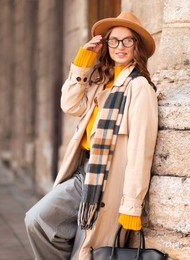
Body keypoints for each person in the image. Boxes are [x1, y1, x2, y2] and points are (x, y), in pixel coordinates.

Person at [24, 11, 158, 260]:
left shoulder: (139, 88)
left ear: (136, 46)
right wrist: (84, 59)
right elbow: (70, 105)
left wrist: (132, 205)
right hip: (85, 171)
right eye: (114, 40)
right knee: (37, 220)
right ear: (106, 45)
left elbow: (142, 151)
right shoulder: (100, 82)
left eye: (128, 40)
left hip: (109, 181)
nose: (120, 46)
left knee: (87, 252)